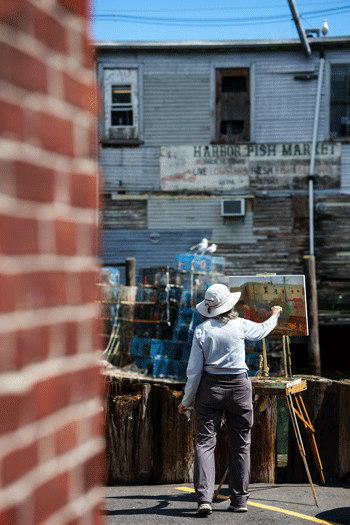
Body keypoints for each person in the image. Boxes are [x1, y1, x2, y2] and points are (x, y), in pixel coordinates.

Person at [178, 283, 282, 516]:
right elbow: (262, 330)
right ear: (230, 305)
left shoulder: (201, 331)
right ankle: (239, 500)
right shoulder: (241, 325)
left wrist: (186, 401)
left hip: (210, 389)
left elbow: (193, 371)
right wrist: (274, 315)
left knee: (205, 444)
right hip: (239, 388)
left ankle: (204, 499)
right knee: (241, 444)